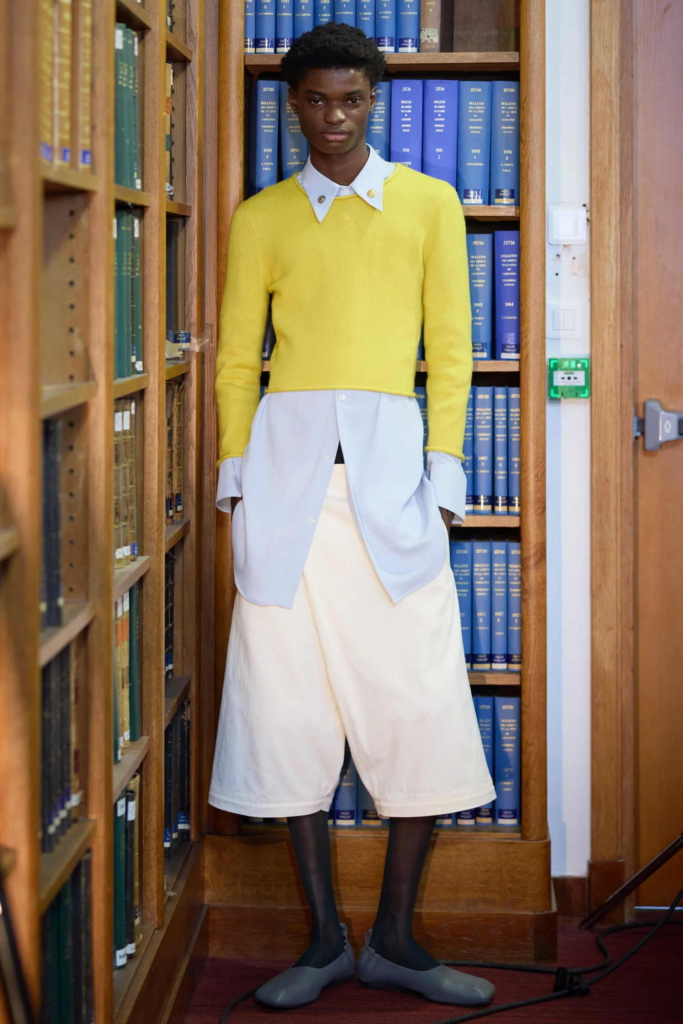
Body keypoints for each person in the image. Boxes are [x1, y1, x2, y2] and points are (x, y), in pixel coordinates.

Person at [209, 21, 497, 1011]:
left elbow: (450, 352)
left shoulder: (426, 205)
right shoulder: (262, 218)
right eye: (316, 100)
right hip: (284, 493)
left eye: (352, 100)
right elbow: (238, 362)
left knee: (413, 702)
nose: (333, 118)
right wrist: (238, 485)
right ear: (290, 105)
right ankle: (325, 939)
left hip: (392, 492)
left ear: (372, 101)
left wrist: (443, 481)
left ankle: (397, 940)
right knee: (285, 708)